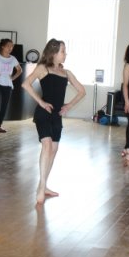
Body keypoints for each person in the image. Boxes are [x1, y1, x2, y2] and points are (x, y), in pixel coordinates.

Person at [22, 39, 85, 205]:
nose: (65, 54)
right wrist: (41, 102)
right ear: (54, 53)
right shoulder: (43, 68)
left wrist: (68, 106)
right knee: (47, 146)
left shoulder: (67, 73)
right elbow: (25, 84)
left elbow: (82, 91)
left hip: (57, 115)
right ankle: (41, 187)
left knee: (54, 150)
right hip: (43, 114)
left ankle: (44, 185)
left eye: (65, 51)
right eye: (63, 51)